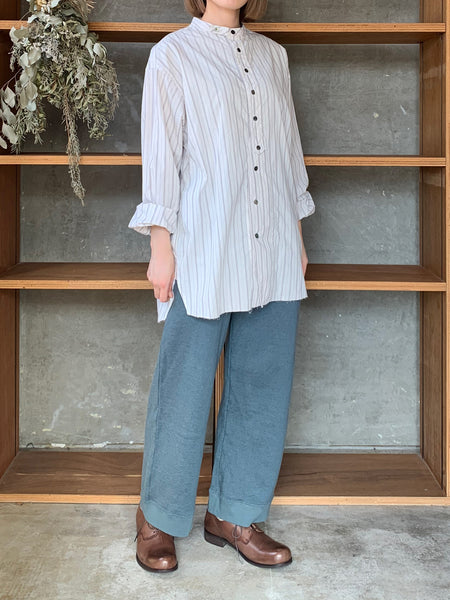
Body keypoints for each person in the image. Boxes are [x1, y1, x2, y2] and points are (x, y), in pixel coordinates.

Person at [128, 0, 315, 572]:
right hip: (204, 248)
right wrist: (161, 248)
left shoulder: (274, 57)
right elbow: (163, 157)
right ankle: (158, 518)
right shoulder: (173, 55)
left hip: (273, 244)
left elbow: (287, 154)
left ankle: (235, 514)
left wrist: (297, 237)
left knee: (263, 384)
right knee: (183, 387)